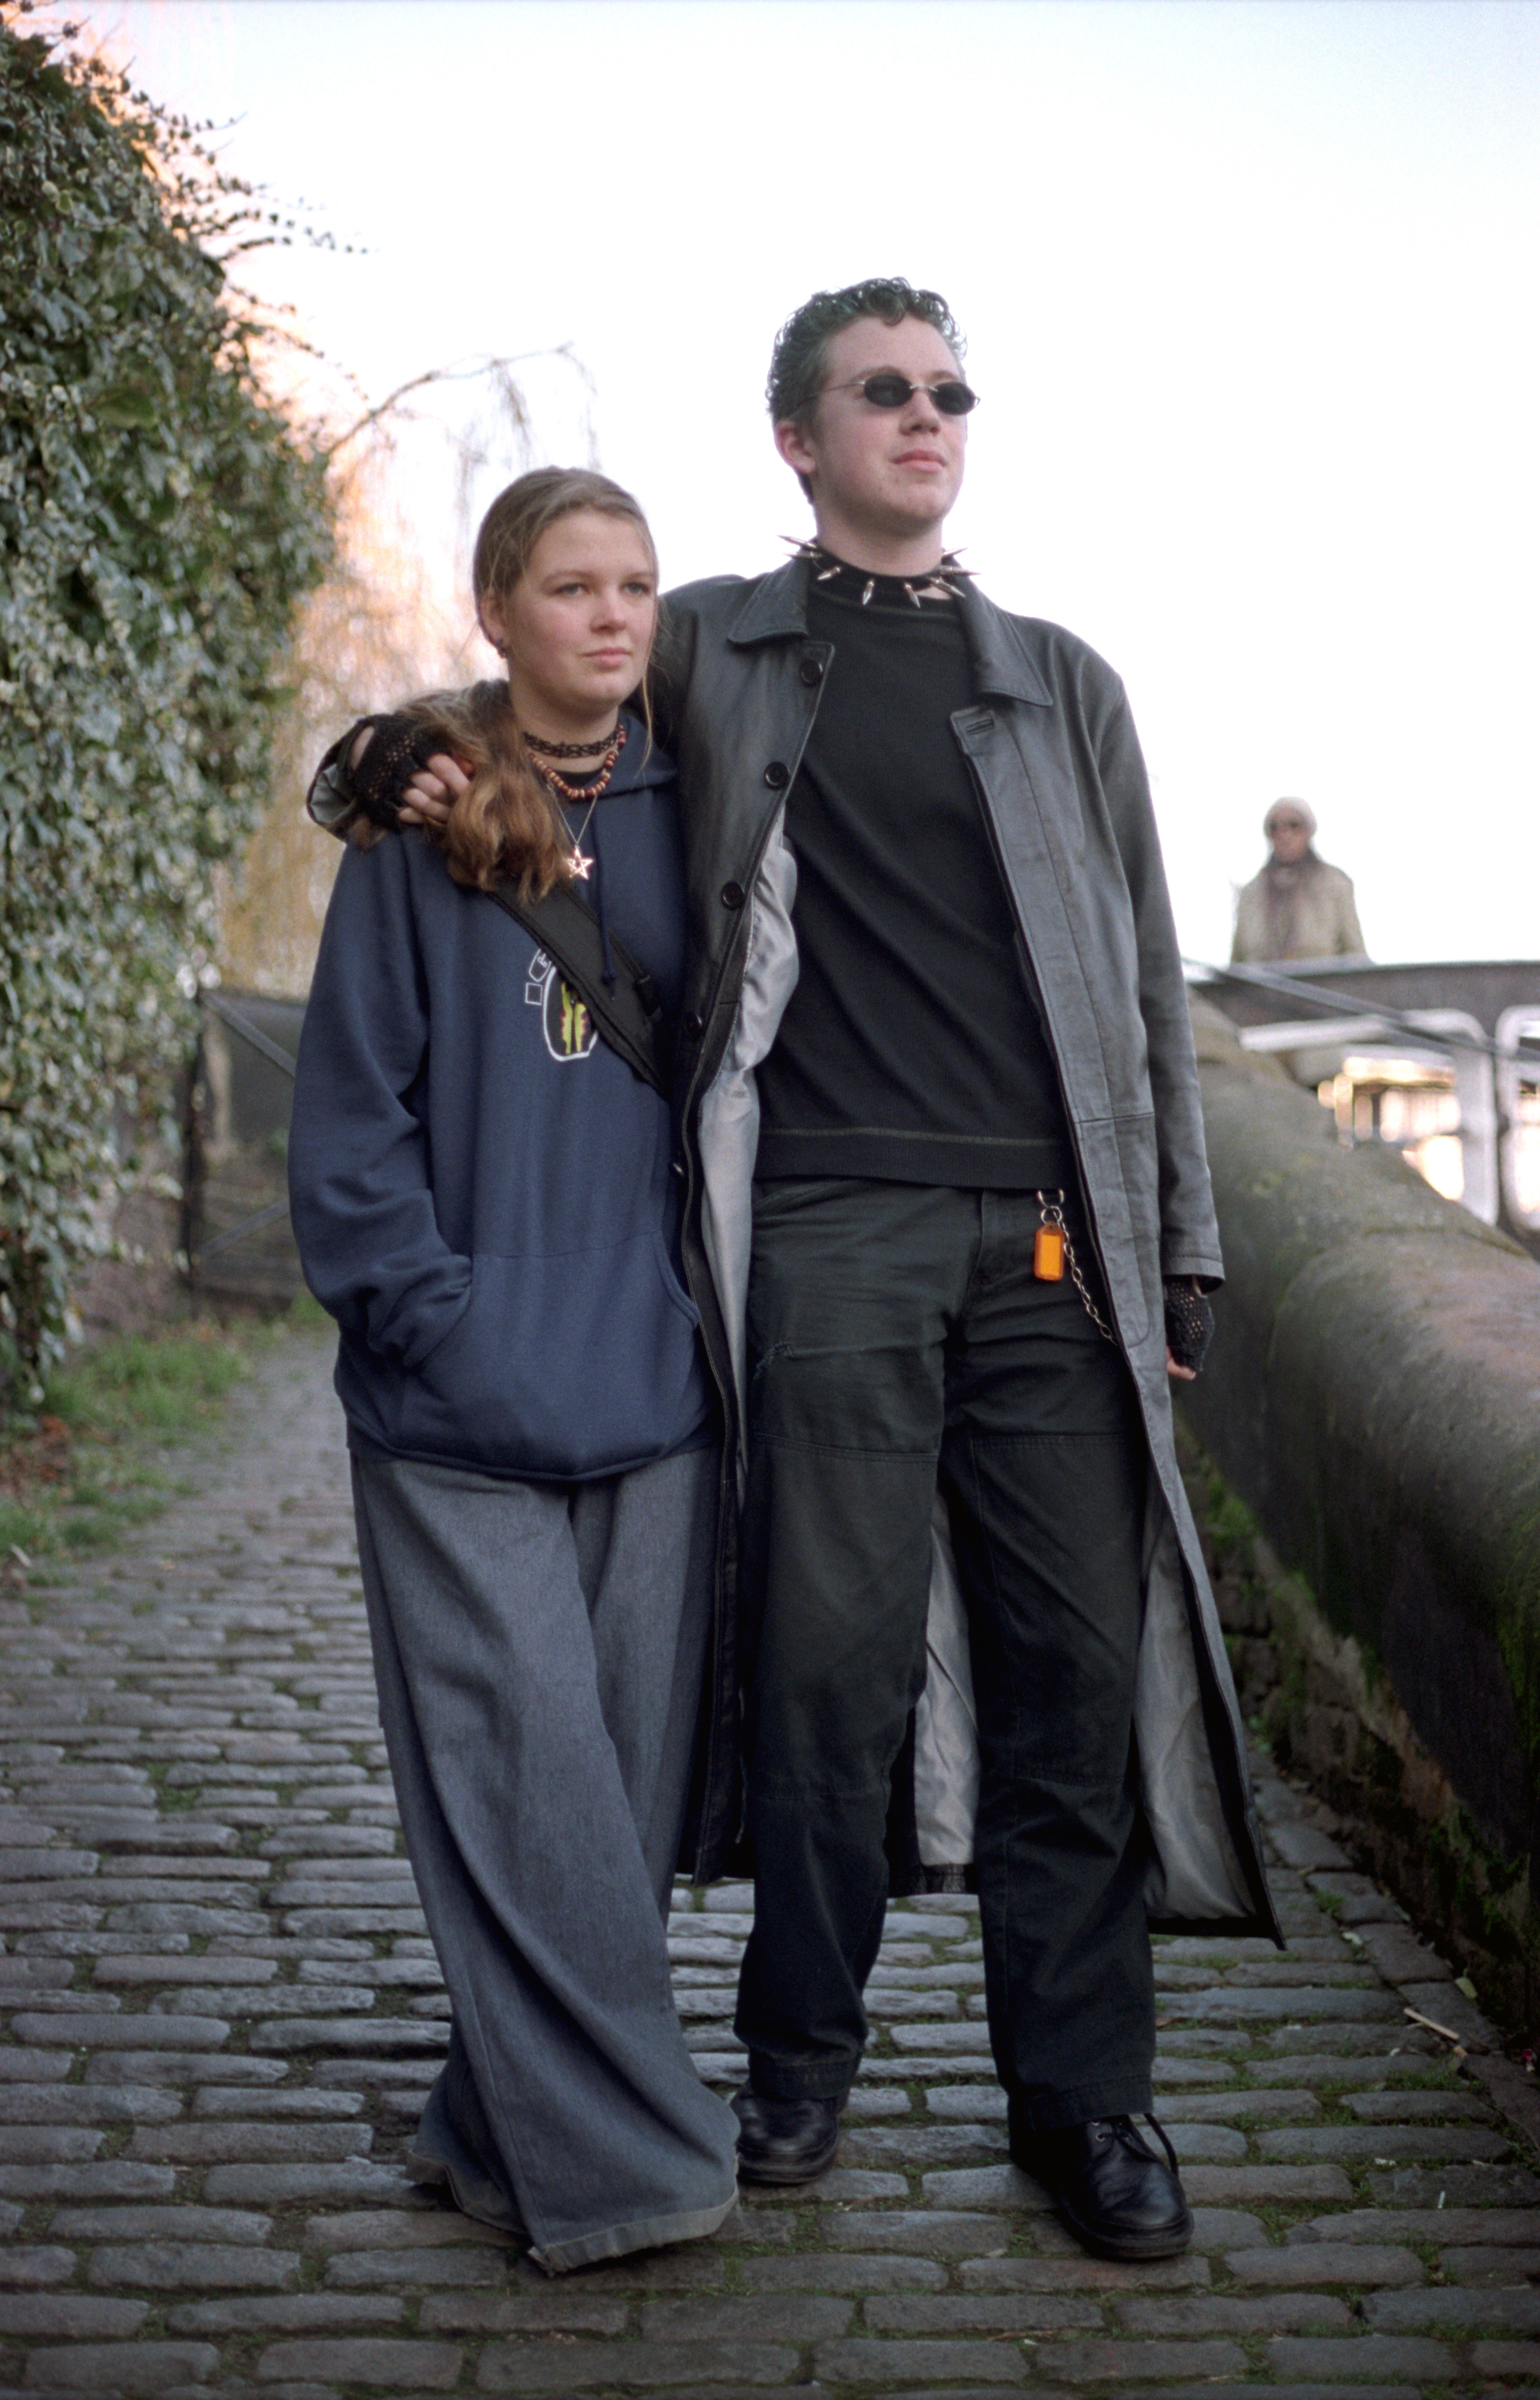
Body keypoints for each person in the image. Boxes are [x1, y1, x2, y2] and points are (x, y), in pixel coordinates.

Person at [314, 279, 1278, 2267]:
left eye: (949, 392)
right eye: (883, 393)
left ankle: (1083, 2100)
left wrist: (1174, 1251)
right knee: (824, 1674)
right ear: (800, 439)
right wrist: (381, 760)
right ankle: (802, 2059)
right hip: (826, 1216)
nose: (928, 418)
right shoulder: (710, 649)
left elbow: (1145, 987)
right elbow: (524, 702)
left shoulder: (1057, 682)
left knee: (1069, 1683)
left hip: (1047, 1239)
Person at [287, 467, 741, 2274]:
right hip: (459, 1407)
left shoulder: (702, 808)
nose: (614, 616)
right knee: (523, 1789)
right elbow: (349, 1122)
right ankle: (637, 2169)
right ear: (497, 612)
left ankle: (495, 2115)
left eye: (636, 584)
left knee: (612, 1820)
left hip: (653, 1395)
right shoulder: (420, 820)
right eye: (570, 586)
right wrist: (430, 1318)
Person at [1231, 797, 1366, 962]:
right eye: (1275, 827)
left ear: (1308, 831)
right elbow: (1237, 965)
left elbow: (1356, 957)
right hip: (1261, 985)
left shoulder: (1335, 886)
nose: (1284, 834)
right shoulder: (1251, 895)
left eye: (1294, 826)